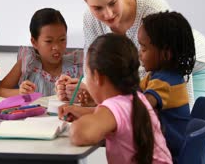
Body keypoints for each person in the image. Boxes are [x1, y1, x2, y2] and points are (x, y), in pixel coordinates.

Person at [58, 0, 205, 102]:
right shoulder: (90, 19)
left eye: (113, 3)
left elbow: (177, 72)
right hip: (147, 79)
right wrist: (79, 88)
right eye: (97, 8)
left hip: (191, 64)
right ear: (86, 2)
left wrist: (187, 120)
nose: (108, 14)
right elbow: (93, 66)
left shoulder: (153, 10)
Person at [59, 34, 172, 164]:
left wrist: (80, 123)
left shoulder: (114, 106)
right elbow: (113, 117)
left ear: (97, 76)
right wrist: (76, 110)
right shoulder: (135, 98)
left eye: (87, 73)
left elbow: (79, 134)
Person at [138, 11, 194, 159]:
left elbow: (140, 106)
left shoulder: (165, 81)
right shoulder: (159, 76)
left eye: (144, 48)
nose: (139, 54)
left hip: (167, 156)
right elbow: (133, 91)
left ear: (166, 54)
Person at [0, 8, 82, 97]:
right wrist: (20, 93)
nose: (56, 47)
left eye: (62, 39)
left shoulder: (77, 65)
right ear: (34, 42)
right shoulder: (28, 63)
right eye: (49, 41)